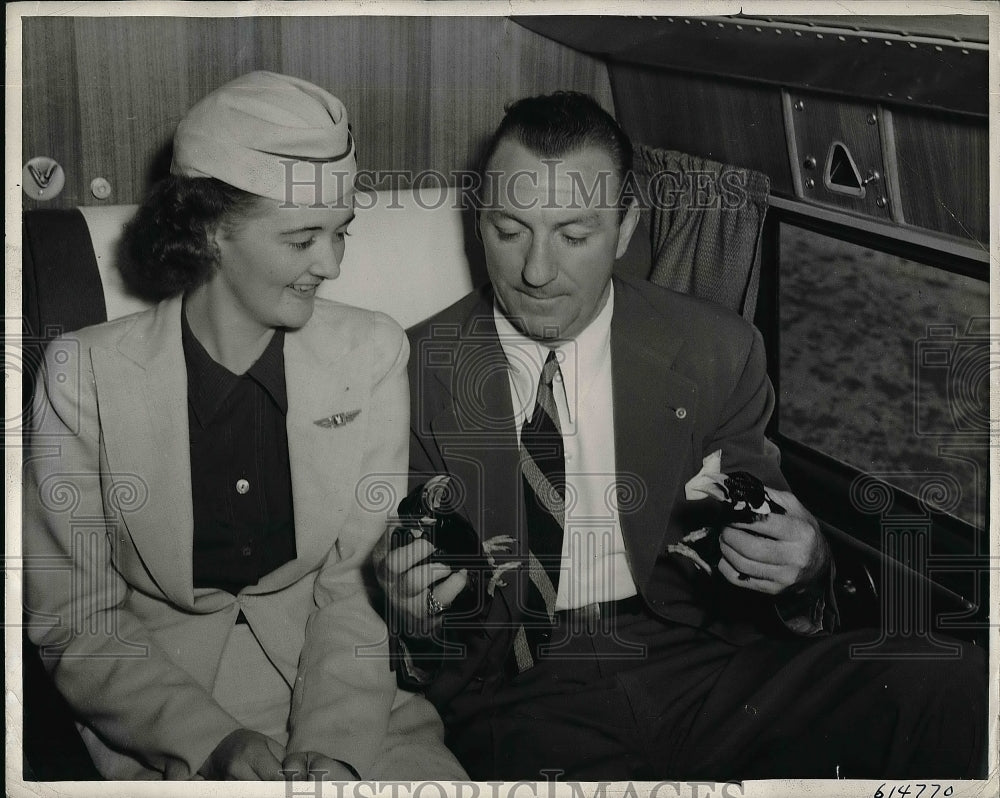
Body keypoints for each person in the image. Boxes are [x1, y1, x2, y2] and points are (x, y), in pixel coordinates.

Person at [375, 92, 986, 781]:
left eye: (574, 237)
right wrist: (415, 615)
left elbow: (768, 528)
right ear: (478, 221)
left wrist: (808, 565)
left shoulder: (714, 350)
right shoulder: (405, 373)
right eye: (509, 232)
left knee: (957, 684)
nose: (537, 272)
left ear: (627, 227)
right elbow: (413, 628)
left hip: (707, 667)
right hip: (523, 691)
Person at [23, 71, 465, 781]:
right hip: (159, 715)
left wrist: (333, 747)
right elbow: (74, 618)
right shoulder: (82, 375)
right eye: (301, 240)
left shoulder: (373, 353)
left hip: (352, 703)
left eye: (340, 234)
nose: (331, 264)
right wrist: (211, 744)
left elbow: (353, 588)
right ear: (208, 232)